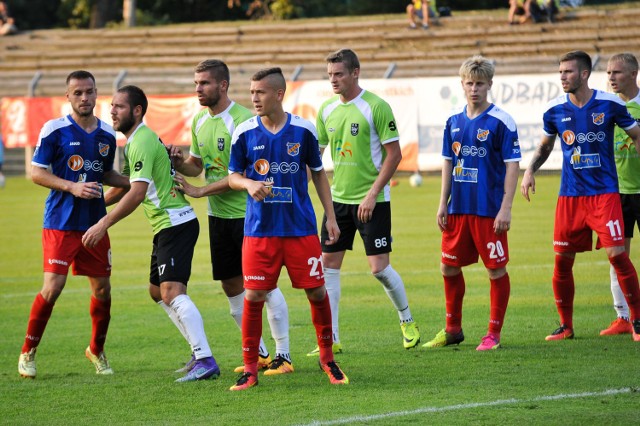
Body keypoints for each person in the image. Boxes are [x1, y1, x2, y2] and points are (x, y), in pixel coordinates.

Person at [82, 85, 221, 381]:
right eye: (112, 106)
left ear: (137, 111)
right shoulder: (136, 141)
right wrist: (96, 206)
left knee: (171, 292)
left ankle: (205, 359)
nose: (112, 111)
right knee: (157, 291)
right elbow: (129, 185)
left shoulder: (141, 140)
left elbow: (136, 193)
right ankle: (199, 354)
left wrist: (102, 223)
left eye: (119, 107)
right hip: (167, 224)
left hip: (175, 223)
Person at [227, 67, 348, 391]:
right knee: (253, 295)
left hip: (300, 230)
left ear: (279, 94)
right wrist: (249, 183)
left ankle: (327, 358)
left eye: (260, 92)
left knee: (316, 291)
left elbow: (319, 174)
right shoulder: (244, 132)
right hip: (259, 231)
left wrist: (331, 217)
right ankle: (251, 369)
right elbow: (232, 176)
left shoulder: (304, 131)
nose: (254, 98)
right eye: (252, 92)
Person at [170, 59, 292, 376]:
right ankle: (262, 354)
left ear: (222, 86)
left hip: (248, 216)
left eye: (205, 83)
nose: (199, 88)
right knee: (231, 285)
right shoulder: (199, 122)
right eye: (196, 83)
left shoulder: (241, 121)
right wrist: (182, 164)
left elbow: (238, 176)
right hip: (218, 217)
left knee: (264, 285)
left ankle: (284, 354)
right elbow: (198, 165)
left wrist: (198, 192)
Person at [521, 50, 640, 342]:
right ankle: (566, 325)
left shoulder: (610, 104)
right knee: (562, 260)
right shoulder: (553, 110)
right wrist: (529, 171)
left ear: (584, 74)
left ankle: (636, 321)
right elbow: (546, 146)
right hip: (570, 197)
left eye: (568, 72)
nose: (563, 77)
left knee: (617, 255)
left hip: (605, 195)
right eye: (560, 71)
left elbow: (636, 134)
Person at [18, 70, 130, 379]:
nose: (84, 97)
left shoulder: (107, 134)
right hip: (60, 223)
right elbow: (37, 173)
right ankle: (28, 351)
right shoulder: (54, 130)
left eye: (89, 92)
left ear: (97, 94)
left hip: (94, 224)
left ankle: (96, 349)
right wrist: (72, 187)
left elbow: (106, 175)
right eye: (78, 92)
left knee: (103, 289)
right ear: (68, 96)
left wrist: (138, 182)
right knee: (53, 287)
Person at [311, 48, 420, 356]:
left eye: (339, 74)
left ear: (355, 72)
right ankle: (330, 338)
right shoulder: (327, 110)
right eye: (330, 74)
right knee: (328, 267)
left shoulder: (376, 106)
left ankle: (407, 321)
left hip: (373, 201)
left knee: (379, 269)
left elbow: (394, 154)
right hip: (337, 202)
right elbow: (315, 159)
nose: (333, 80)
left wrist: (372, 194)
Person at [424, 56, 520, 351]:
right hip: (458, 209)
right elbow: (448, 163)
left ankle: (493, 333)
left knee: (495, 270)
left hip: (488, 210)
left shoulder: (501, 121)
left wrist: (506, 207)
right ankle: (453, 329)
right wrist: (443, 203)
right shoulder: (453, 122)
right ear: (462, 84)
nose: (474, 89)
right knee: (448, 267)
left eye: (480, 83)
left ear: (490, 84)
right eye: (469, 83)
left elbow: (512, 165)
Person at [600, 53, 640, 336]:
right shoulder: (606, 106)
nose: (611, 77)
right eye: (608, 72)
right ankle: (623, 317)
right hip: (617, 193)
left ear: (634, 73)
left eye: (617, 72)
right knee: (617, 256)